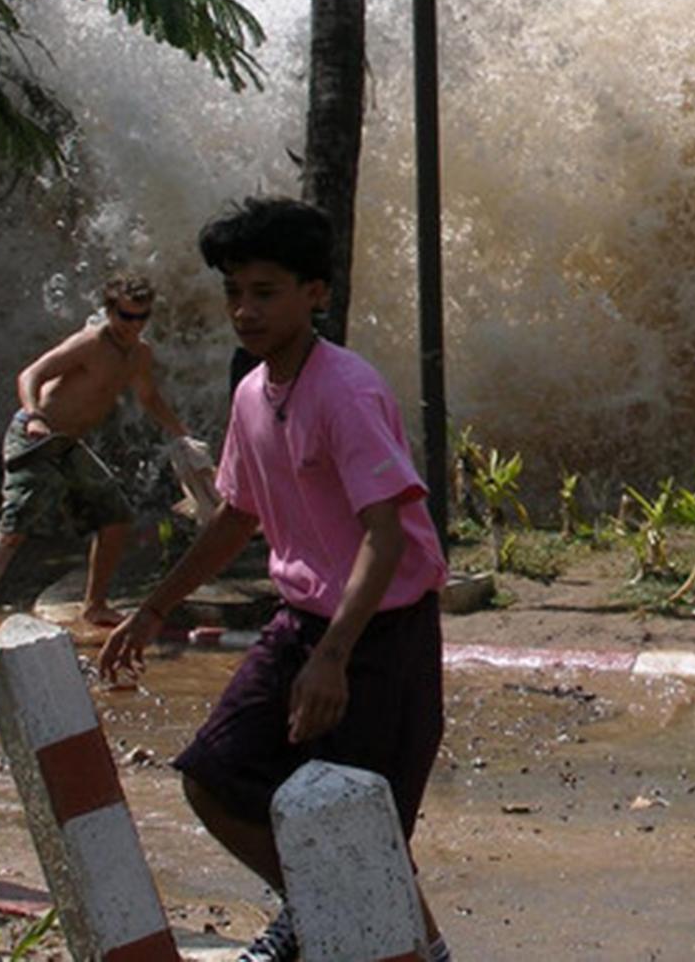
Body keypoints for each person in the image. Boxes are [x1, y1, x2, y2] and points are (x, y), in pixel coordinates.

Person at [99, 198, 451, 962]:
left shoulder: (346, 391)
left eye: (265, 292)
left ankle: (418, 949)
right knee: (214, 777)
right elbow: (235, 517)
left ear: (314, 293)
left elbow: (385, 538)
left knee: (364, 827)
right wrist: (153, 609)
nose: (244, 310)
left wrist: (335, 657)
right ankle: (312, 907)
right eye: (233, 292)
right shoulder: (254, 393)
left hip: (378, 632)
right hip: (302, 624)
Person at [0, 272, 197, 652]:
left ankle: (95, 605)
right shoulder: (90, 343)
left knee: (116, 518)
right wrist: (34, 415)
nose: (134, 325)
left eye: (142, 317)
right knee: (13, 529)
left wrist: (181, 434)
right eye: (126, 316)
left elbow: (149, 398)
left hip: (69, 445)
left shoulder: (139, 354)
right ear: (109, 310)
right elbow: (31, 374)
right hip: (35, 439)